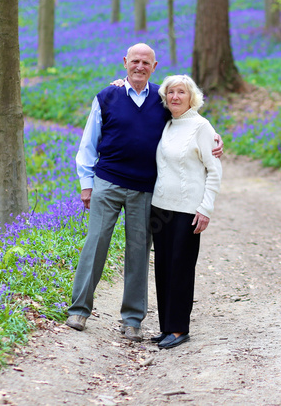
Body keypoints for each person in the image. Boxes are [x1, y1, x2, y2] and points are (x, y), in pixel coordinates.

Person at [66, 43, 222, 342]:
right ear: (125, 62)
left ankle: (132, 319)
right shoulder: (107, 96)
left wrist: (215, 137)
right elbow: (88, 143)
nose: (139, 66)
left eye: (146, 62)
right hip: (108, 183)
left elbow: (187, 120)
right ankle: (79, 309)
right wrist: (86, 184)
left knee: (138, 252)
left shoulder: (161, 100)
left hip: (145, 190)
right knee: (96, 242)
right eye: (134, 61)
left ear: (154, 66)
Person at [149, 75, 222, 349]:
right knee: (163, 268)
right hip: (160, 207)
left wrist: (205, 208)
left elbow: (214, 171)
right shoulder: (168, 124)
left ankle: (180, 329)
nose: (175, 97)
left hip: (187, 210)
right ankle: (166, 326)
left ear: (192, 97)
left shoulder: (201, 127)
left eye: (181, 92)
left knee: (181, 268)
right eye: (170, 93)